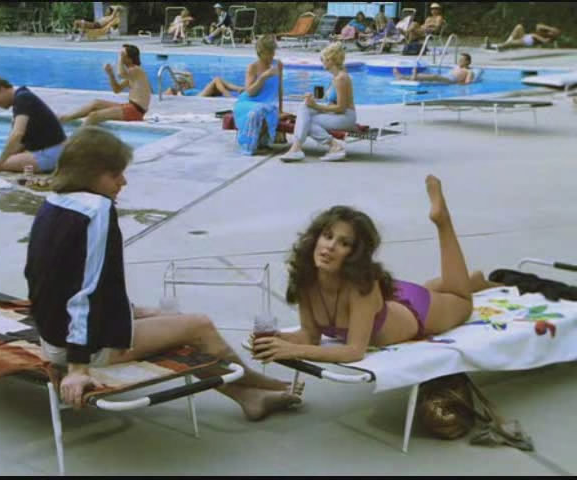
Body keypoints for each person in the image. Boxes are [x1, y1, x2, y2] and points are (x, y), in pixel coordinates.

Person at [25, 126, 302, 417]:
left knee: (166, 319)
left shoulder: (54, 202)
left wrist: (131, 311)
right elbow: (85, 291)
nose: (123, 181)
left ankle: (248, 397)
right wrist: (78, 368)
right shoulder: (97, 210)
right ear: (89, 173)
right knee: (199, 327)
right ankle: (258, 381)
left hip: (53, 335)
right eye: (115, 174)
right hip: (81, 347)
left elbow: (49, 277)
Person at [252, 175, 476, 365]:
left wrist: (293, 350)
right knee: (443, 289)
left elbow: (354, 351)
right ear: (315, 237)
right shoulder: (306, 278)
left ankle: (443, 221)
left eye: (344, 243)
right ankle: (475, 280)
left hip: (415, 310)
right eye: (327, 236)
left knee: (461, 299)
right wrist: (278, 339)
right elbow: (310, 336)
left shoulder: (361, 288)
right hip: (389, 297)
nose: (330, 246)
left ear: (354, 253)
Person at [280, 42, 356, 163]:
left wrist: (316, 106)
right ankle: (297, 148)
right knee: (305, 107)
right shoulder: (336, 76)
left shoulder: (341, 78)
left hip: (346, 117)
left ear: (331, 60)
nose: (322, 62)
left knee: (307, 121)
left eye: (323, 59)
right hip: (337, 115)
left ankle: (333, 146)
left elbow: (341, 108)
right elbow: (332, 103)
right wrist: (312, 103)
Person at [0, 77, 66, 173]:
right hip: (55, 151)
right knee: (2, 160)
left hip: (50, 155)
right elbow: (20, 143)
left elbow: (17, 134)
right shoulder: (23, 97)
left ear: (2, 89)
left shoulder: (22, 99)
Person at [59, 44, 151, 126]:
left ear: (129, 58)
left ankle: (78, 138)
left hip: (135, 111)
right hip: (130, 107)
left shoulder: (136, 70)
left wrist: (120, 58)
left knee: (94, 116)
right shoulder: (132, 75)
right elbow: (117, 89)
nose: (120, 56)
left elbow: (120, 74)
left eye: (123, 54)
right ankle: (65, 118)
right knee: (96, 103)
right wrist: (110, 74)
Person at [232, 34, 283, 155]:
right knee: (257, 111)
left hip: (269, 103)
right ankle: (248, 144)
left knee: (265, 110)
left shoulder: (278, 65)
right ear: (261, 52)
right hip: (249, 102)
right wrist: (263, 77)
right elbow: (250, 92)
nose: (272, 55)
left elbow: (280, 88)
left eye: (273, 52)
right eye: (269, 53)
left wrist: (281, 109)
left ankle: (259, 142)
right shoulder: (253, 67)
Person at [393, 53, 475, 84]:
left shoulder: (469, 71)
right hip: (446, 76)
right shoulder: (456, 67)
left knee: (435, 76)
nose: (459, 61)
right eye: (459, 59)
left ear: (468, 61)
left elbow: (467, 83)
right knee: (433, 75)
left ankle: (411, 76)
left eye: (461, 60)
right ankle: (403, 77)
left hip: (452, 80)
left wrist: (458, 82)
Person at [163, 71, 244, 98]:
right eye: (182, 83)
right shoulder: (181, 93)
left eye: (184, 82)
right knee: (216, 79)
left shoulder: (191, 87)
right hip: (198, 97)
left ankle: (239, 89)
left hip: (202, 93)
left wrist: (174, 71)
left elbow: (189, 74)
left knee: (219, 81)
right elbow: (167, 94)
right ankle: (229, 96)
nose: (185, 84)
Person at [487, 23, 561, 52]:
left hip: (528, 42)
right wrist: (550, 28)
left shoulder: (550, 38)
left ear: (554, 35)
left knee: (511, 42)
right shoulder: (545, 31)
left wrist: (535, 36)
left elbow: (544, 41)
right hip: (526, 36)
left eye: (553, 32)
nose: (551, 32)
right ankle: (504, 44)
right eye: (553, 30)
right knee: (519, 26)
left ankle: (495, 46)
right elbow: (538, 26)